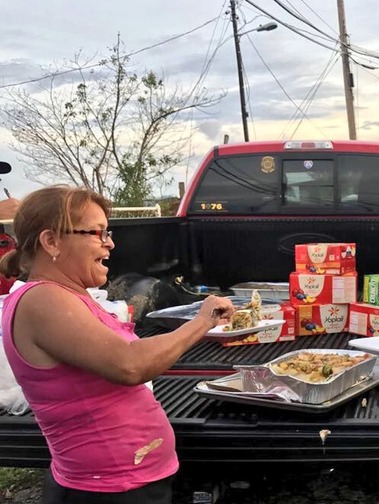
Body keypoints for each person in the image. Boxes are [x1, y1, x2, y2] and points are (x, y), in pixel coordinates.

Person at [0, 186, 234, 503]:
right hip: (105, 490)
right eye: (97, 233)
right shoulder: (42, 299)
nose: (110, 243)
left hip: (123, 483)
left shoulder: (67, 295)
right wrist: (203, 320)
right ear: (52, 241)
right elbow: (129, 364)